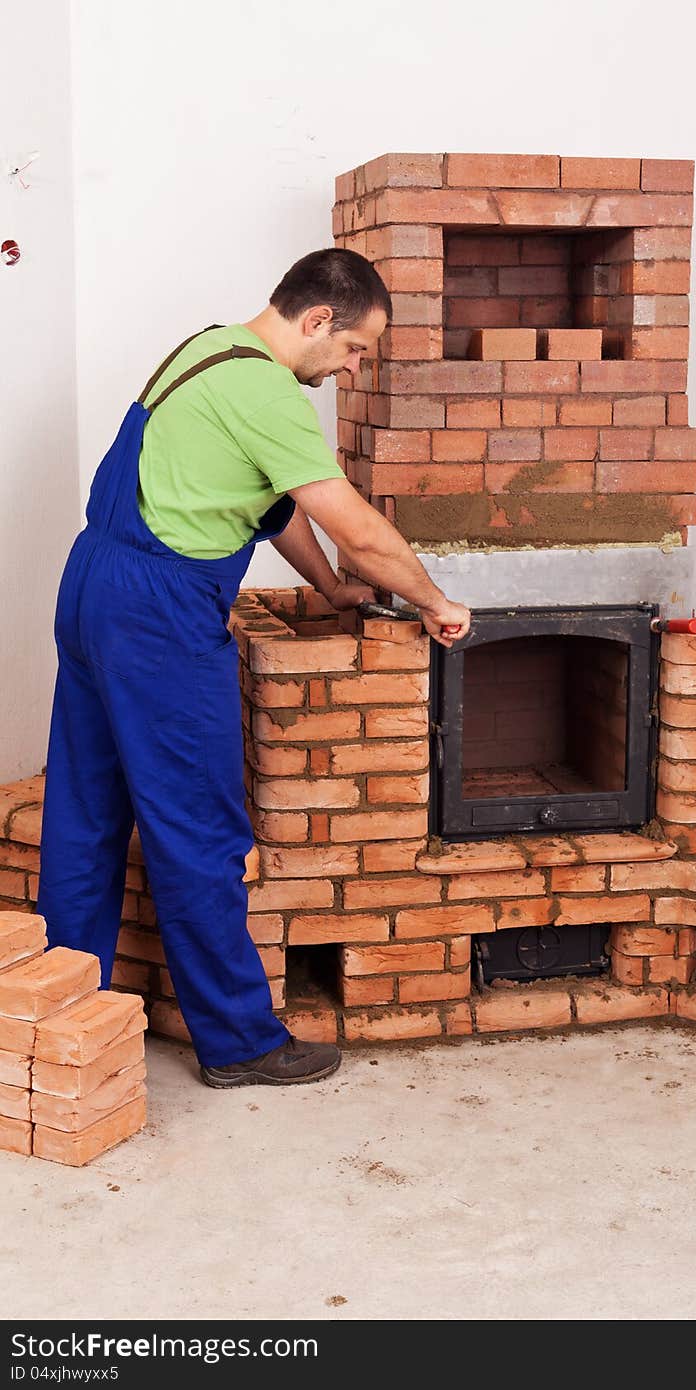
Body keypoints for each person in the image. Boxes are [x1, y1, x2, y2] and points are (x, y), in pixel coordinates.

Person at [36, 248, 471, 1089]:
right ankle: (239, 1041)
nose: (351, 367)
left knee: (87, 810)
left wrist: (334, 592)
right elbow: (362, 529)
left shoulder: (206, 350)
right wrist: (432, 598)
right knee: (197, 824)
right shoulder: (269, 390)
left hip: (93, 585)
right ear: (317, 321)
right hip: (158, 615)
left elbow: (269, 505)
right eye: (353, 350)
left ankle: (63, 1010)